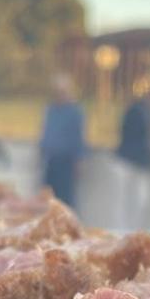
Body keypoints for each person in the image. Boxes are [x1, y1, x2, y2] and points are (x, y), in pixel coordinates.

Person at [114, 79, 150, 229]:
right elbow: (126, 132)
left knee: (142, 199)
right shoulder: (136, 110)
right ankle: (121, 229)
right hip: (128, 160)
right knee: (123, 198)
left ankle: (135, 229)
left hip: (144, 163)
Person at [38, 74, 85, 207]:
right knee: (48, 197)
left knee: (65, 199)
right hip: (51, 159)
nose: (58, 95)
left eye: (62, 92)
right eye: (56, 92)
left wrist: (79, 161)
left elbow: (78, 139)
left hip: (66, 161)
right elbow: (46, 131)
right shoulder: (51, 109)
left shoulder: (75, 112)